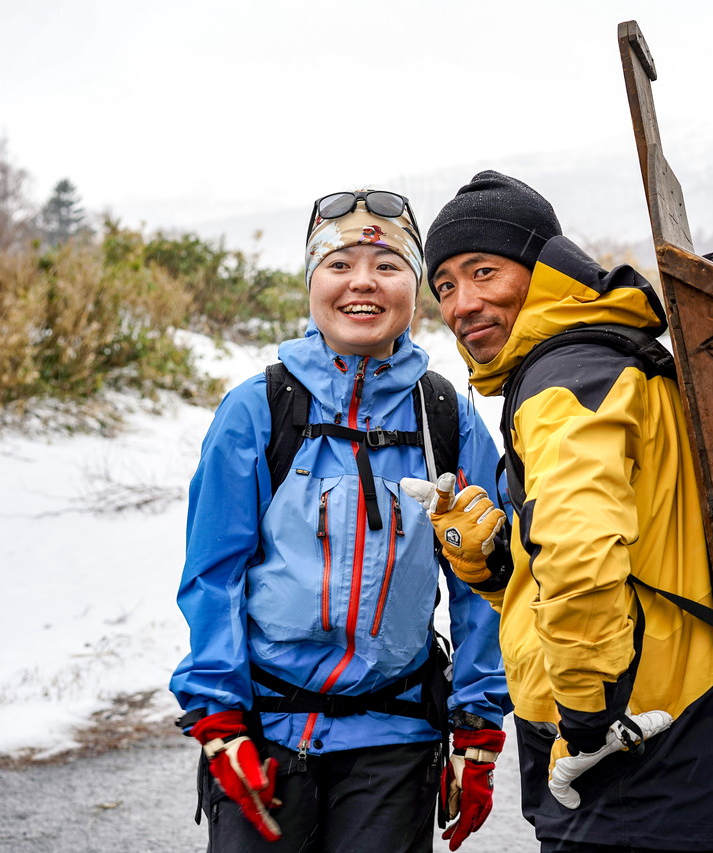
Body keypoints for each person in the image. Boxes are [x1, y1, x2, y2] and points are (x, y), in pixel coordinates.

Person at [412, 171, 713, 853]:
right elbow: (630, 538)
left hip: (632, 754)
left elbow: (580, 561)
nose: (464, 302)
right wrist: (493, 562)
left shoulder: (561, 381)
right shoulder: (612, 354)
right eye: (448, 285)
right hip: (693, 731)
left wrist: (584, 723)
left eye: (484, 270)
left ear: (541, 266)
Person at [169, 188, 511, 853]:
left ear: (414, 286)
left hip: (396, 738)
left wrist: (477, 721)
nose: (363, 281)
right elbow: (214, 574)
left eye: (387, 266)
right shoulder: (257, 410)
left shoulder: (447, 417)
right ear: (311, 283)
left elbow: (484, 587)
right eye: (339, 263)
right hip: (263, 734)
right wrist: (219, 717)